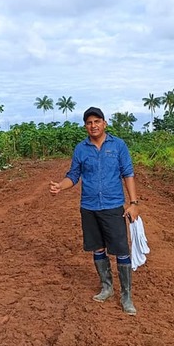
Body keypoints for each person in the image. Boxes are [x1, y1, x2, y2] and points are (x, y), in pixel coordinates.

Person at [49, 106, 139, 315]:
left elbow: (128, 173)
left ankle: (126, 296)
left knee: (122, 251)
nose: (93, 125)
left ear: (104, 123)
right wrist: (60, 186)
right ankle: (106, 287)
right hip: (89, 207)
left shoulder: (118, 146)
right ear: (85, 126)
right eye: (89, 122)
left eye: (97, 121)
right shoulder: (81, 149)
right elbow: (73, 175)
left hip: (113, 205)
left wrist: (133, 203)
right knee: (98, 248)